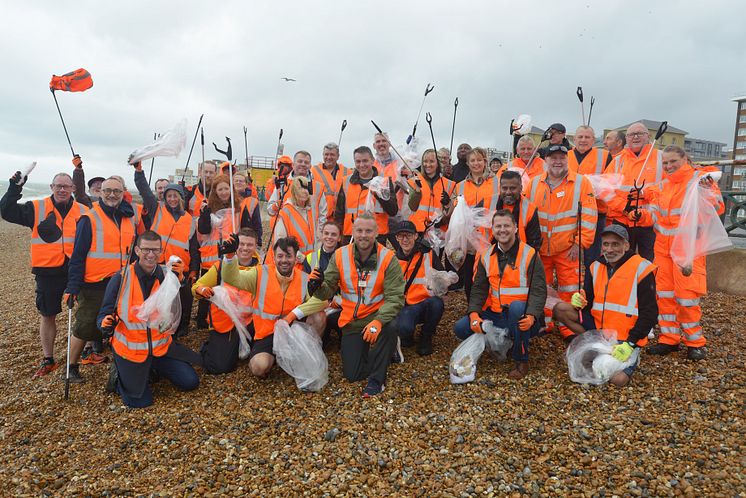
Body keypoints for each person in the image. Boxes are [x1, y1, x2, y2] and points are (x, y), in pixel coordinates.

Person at [287, 214, 404, 397]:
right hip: (351, 319)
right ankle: (385, 353)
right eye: (359, 230)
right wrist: (316, 287)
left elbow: (395, 298)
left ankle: (377, 380)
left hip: (376, 317)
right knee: (352, 375)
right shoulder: (340, 255)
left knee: (390, 327)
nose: (363, 235)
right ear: (353, 232)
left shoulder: (388, 258)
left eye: (368, 231)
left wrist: (379, 321)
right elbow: (328, 291)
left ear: (376, 233)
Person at [633, 145, 725, 360]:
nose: (668, 166)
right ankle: (669, 339)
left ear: (685, 159)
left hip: (688, 249)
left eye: (673, 161)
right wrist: (640, 216)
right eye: (665, 163)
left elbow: (717, 207)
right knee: (664, 295)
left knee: (687, 297)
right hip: (663, 249)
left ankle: (695, 343)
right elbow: (655, 216)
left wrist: (706, 189)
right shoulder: (663, 185)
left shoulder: (699, 179)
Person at [97, 230, 200, 408]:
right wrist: (105, 323)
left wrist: (181, 281)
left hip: (161, 348)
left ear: (161, 252)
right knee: (141, 402)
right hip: (131, 351)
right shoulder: (120, 279)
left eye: (155, 250)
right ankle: (118, 374)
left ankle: (151, 369)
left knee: (190, 382)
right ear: (137, 250)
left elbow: (179, 304)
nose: (151, 255)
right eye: (146, 250)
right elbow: (103, 314)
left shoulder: (166, 276)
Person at [0, 170, 88, 376]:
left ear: (73, 188)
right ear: (51, 187)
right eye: (58, 186)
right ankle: (48, 359)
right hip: (48, 271)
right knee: (48, 314)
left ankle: (90, 350)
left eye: (66, 186)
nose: (62, 189)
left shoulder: (85, 211)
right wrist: (15, 188)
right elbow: (6, 211)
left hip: (78, 269)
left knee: (87, 311)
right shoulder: (36, 208)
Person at [61, 176, 144, 383]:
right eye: (107, 190)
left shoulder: (128, 217)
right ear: (100, 193)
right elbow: (77, 256)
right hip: (94, 284)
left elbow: (133, 252)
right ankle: (70, 367)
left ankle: (121, 365)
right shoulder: (89, 219)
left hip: (122, 282)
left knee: (120, 323)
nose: (111, 195)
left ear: (123, 192)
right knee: (85, 325)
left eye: (116, 191)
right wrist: (72, 287)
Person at [553, 225, 657, 386]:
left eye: (615, 244)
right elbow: (588, 302)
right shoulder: (595, 266)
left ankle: (632, 356)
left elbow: (650, 313)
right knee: (561, 309)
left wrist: (631, 343)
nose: (609, 249)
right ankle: (594, 345)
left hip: (625, 337)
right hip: (599, 329)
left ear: (626, 246)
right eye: (606, 244)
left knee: (617, 381)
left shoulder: (641, 268)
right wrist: (579, 300)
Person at [453, 210, 547, 379]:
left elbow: (539, 290)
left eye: (506, 226)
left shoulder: (530, 254)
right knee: (460, 328)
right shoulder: (486, 256)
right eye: (498, 226)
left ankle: (521, 359)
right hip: (495, 315)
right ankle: (504, 340)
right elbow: (479, 289)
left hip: (521, 317)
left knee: (517, 308)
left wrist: (532, 315)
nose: (502, 230)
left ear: (516, 228)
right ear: (493, 230)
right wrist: (474, 314)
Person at [221, 237, 322, 378]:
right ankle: (275, 358)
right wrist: (230, 257)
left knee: (319, 316)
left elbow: (322, 302)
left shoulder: (305, 278)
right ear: (274, 257)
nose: (284, 260)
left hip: (292, 333)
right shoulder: (259, 274)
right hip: (266, 335)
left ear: (295, 257)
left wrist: (316, 291)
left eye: (289, 256)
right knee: (259, 368)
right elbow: (231, 278)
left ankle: (309, 353)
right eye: (280, 256)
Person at [525, 144, 597, 340]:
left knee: (570, 288)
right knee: (542, 287)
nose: (557, 161)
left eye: (561, 157)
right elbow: (526, 215)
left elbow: (589, 216)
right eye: (553, 157)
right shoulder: (532, 184)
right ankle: (546, 323)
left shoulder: (582, 183)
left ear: (568, 159)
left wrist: (579, 243)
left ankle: (568, 328)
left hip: (568, 248)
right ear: (545, 160)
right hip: (540, 249)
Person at [133, 163, 199, 338]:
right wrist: (139, 172)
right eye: (169, 196)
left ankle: (182, 326)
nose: (172, 199)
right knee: (160, 298)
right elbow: (145, 190)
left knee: (184, 298)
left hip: (180, 266)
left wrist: (193, 269)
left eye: (175, 196)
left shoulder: (189, 219)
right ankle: (159, 327)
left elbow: (193, 247)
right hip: (159, 264)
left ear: (181, 197)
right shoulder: (157, 209)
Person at [193, 228, 260, 374]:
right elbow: (196, 287)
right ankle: (211, 347)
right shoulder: (221, 266)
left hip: (251, 323)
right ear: (236, 245)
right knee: (220, 367)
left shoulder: (261, 270)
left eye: (250, 245)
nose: (245, 248)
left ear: (256, 247)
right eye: (241, 244)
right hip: (226, 323)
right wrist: (202, 290)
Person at [605, 122, 664, 262]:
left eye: (640, 134)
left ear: (648, 136)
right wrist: (624, 207)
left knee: (649, 263)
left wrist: (645, 193)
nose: (635, 137)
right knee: (620, 262)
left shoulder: (661, 158)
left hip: (650, 223)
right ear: (627, 138)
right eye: (631, 134)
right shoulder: (617, 161)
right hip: (622, 221)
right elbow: (606, 191)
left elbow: (668, 187)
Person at [195, 174, 245, 327]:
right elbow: (203, 230)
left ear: (231, 189)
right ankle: (202, 320)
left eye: (226, 189)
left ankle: (223, 318)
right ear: (215, 191)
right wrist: (204, 215)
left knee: (227, 289)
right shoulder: (208, 208)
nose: (223, 192)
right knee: (207, 290)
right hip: (211, 257)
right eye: (220, 189)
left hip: (230, 256)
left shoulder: (238, 208)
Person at [394, 221, 444, 357]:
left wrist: (440, 283)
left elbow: (442, 279)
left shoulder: (428, 254)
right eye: (401, 236)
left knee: (437, 304)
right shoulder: (393, 260)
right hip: (406, 306)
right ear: (396, 238)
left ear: (416, 236)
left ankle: (426, 336)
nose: (405, 239)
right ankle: (407, 334)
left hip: (426, 302)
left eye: (408, 235)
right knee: (404, 329)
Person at [455, 147, 499, 300]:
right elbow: (456, 212)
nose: (476, 163)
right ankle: (472, 309)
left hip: (490, 238)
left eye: (479, 160)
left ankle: (490, 307)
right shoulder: (460, 186)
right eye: (472, 160)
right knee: (468, 277)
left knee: (489, 274)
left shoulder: (496, 182)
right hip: (468, 241)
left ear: (485, 161)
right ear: (467, 163)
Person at [568, 125, 613, 272]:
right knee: (568, 257)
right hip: (568, 214)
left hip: (596, 214)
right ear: (574, 139)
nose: (583, 140)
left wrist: (595, 186)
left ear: (593, 140)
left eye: (587, 137)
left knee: (592, 258)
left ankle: (591, 289)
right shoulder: (565, 156)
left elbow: (611, 183)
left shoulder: (605, 156)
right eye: (580, 137)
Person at [334, 146, 398, 244]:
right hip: (350, 236)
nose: (362, 165)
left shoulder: (383, 181)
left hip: (377, 237)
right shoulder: (346, 182)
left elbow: (393, 210)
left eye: (365, 161)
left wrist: (379, 194)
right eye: (358, 162)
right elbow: (339, 213)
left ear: (372, 160)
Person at [302, 221, 344, 346]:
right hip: (318, 306)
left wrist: (340, 300)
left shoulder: (346, 257)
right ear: (321, 235)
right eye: (326, 233)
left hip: (339, 306)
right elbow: (306, 289)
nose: (329, 237)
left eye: (333, 234)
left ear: (339, 237)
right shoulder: (310, 258)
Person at [407, 148, 456, 234]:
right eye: (425, 161)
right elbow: (412, 207)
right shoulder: (414, 180)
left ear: (438, 164)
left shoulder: (449, 184)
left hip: (440, 232)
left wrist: (448, 204)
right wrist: (417, 191)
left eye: (431, 161)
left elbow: (452, 212)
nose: (428, 165)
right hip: (417, 231)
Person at [272, 176, 319, 260]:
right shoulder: (286, 212)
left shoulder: (311, 210)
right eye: (300, 188)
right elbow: (281, 242)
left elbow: (317, 238)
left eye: (306, 188)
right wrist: (300, 257)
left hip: (312, 261)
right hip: (296, 263)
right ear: (294, 192)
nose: (304, 191)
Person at [267, 151, 326, 219]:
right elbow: (270, 210)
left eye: (306, 162)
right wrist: (276, 206)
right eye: (300, 161)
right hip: (285, 228)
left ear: (310, 166)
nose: (303, 164)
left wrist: (319, 229)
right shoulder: (282, 185)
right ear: (293, 164)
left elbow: (323, 215)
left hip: (310, 229)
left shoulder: (318, 187)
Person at [493, 170, 542, 250]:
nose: (508, 192)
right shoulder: (486, 203)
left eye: (512, 188)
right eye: (504, 188)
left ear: (521, 188)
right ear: (500, 188)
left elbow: (534, 242)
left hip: (519, 257)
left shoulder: (530, 209)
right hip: (489, 258)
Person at [312, 143, 349, 219]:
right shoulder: (313, 171)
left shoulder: (347, 172)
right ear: (323, 155)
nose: (328, 157)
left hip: (341, 218)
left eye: (332, 154)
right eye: (326, 154)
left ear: (338, 156)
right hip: (321, 218)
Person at [233, 172, 263, 246]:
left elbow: (257, 224)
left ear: (246, 184)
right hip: (230, 240)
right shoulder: (226, 199)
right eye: (236, 180)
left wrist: (258, 243)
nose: (238, 182)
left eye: (241, 181)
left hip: (246, 241)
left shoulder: (253, 201)